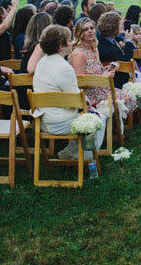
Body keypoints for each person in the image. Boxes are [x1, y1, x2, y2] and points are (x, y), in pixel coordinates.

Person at [33, 24, 105, 163]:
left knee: (93, 114)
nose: (72, 42)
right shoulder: (64, 68)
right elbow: (77, 101)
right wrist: (90, 106)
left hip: (42, 119)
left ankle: (74, 154)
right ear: (61, 46)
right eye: (69, 39)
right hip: (60, 122)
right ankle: (77, 156)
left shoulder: (42, 62)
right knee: (99, 118)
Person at [69, 17, 138, 115]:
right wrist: (102, 77)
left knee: (130, 96)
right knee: (129, 97)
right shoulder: (78, 53)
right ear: (79, 33)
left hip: (101, 88)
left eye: (92, 28)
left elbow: (94, 70)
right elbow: (79, 81)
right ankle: (114, 125)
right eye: (86, 29)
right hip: (90, 95)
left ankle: (116, 124)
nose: (90, 31)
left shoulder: (93, 48)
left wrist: (108, 68)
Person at [98, 11, 141, 119]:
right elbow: (127, 61)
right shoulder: (105, 47)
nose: (123, 25)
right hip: (121, 78)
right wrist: (129, 42)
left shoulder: (112, 39)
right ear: (113, 26)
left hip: (128, 73)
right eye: (121, 23)